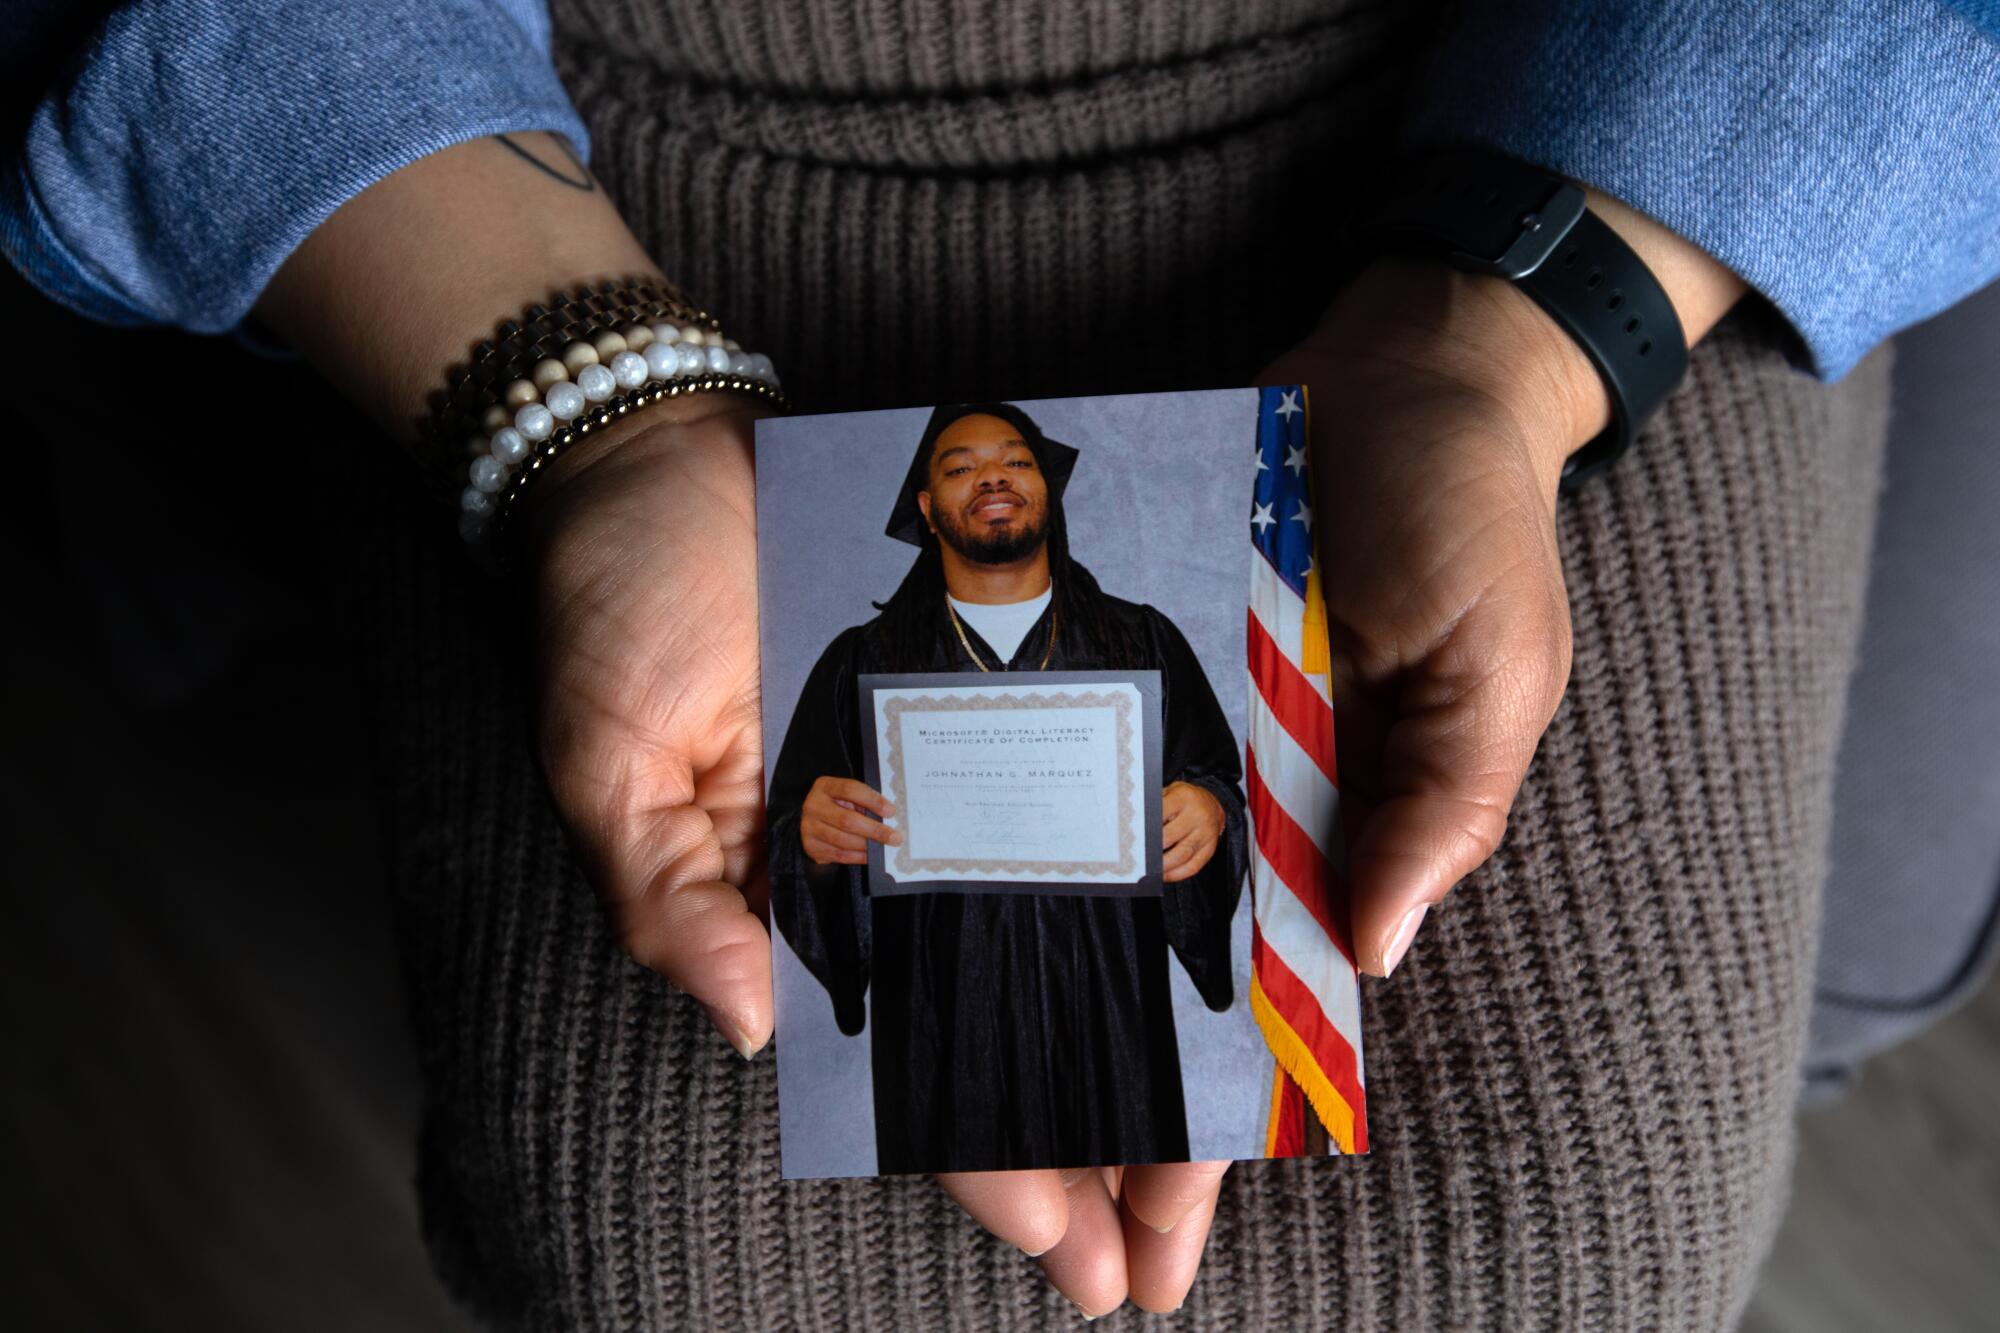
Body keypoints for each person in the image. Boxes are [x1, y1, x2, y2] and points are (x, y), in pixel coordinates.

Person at [5, 0, 1997, 1326]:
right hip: (570, 112)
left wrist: (1507, 344)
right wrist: (576, 396)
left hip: (1556, 82)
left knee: (1569, 1241)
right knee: (682, 1259)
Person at [766, 403, 1248, 1174]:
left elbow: (1216, 780)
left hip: (1109, 1001)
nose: (991, 475)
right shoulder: (861, 663)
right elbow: (793, 831)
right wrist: (811, 840)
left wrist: (1211, 811)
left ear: (1047, 490)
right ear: (928, 510)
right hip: (941, 1010)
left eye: (1016, 461)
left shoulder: (1142, 640)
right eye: (958, 467)